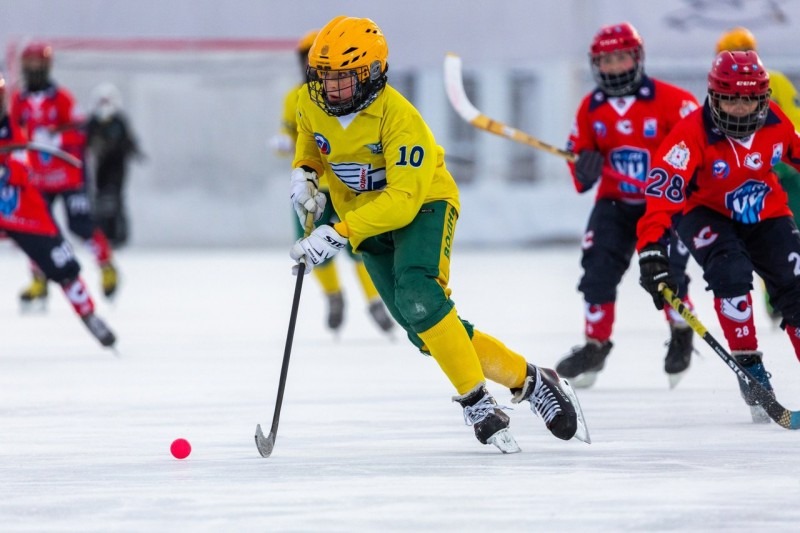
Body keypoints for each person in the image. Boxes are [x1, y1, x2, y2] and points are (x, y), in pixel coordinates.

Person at [287, 15, 590, 452]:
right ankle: (531, 379)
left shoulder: (400, 119)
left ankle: (478, 403)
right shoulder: (308, 101)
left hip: (423, 206)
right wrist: (306, 174)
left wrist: (339, 232)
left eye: (342, 80)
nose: (329, 90)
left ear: (372, 74)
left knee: (419, 296)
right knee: (423, 328)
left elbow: (403, 201)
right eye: (324, 78)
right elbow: (312, 142)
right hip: (362, 215)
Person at [637, 50, 800, 423]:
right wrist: (651, 249)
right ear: (713, 95)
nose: (739, 108)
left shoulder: (777, 123)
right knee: (730, 273)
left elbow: (796, 150)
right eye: (729, 97)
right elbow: (662, 192)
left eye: (748, 98)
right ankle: (749, 364)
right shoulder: (689, 134)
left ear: (764, 97)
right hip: (705, 212)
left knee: (796, 284)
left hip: (766, 210)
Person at [555, 22, 701, 389]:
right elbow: (579, 166)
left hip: (665, 205)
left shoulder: (675, 101)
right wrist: (583, 166)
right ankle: (595, 344)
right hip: (615, 203)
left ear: (636, 58)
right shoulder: (590, 108)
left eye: (620, 57)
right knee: (596, 273)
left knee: (667, 275)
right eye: (605, 60)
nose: (614, 66)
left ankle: (681, 330)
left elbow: (699, 151)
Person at [275, 29, 394, 335]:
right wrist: (285, 145)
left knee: (360, 246)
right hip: (314, 188)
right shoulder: (297, 98)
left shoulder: (361, 98)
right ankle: (333, 296)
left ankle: (374, 301)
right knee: (310, 248)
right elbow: (298, 137)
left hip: (350, 187)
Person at [0, 71, 115, 348]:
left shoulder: (13, 130)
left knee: (62, 261)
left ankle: (88, 315)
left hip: (22, 212)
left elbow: (23, 167)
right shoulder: (22, 102)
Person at [716, 26, 800, 324]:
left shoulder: (774, 80)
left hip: (786, 172)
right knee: (766, 240)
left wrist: (784, 153)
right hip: (756, 179)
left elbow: (793, 121)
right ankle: (776, 298)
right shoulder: (720, 89)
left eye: (743, 50)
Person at [85, 82, 140, 249]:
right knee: (100, 198)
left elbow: (129, 141)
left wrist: (131, 149)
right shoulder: (93, 122)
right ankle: (101, 233)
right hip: (100, 166)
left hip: (117, 166)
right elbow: (84, 140)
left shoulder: (119, 121)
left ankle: (118, 235)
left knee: (115, 198)